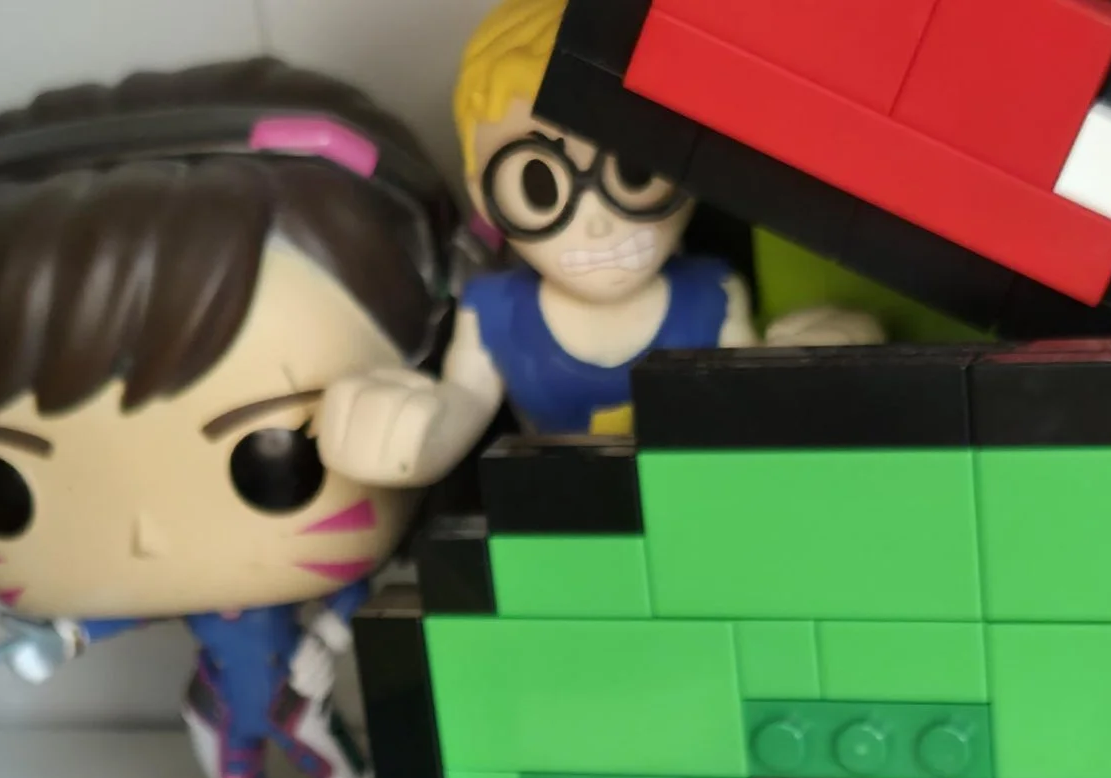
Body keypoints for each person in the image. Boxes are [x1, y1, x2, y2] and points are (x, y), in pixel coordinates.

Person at [0, 63, 459, 778]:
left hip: (292, 686)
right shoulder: (174, 588)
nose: (148, 534)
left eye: (273, 456)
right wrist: (62, 637)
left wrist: (330, 639)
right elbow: (125, 609)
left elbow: (352, 596)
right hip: (215, 693)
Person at [320, 0, 878, 487]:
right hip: (565, 524)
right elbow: (462, 403)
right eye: (540, 185)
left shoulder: (711, 295)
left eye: (634, 171)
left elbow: (749, 403)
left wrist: (809, 364)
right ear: (484, 196)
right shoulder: (495, 313)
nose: (598, 223)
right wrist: (406, 436)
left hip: (692, 507)